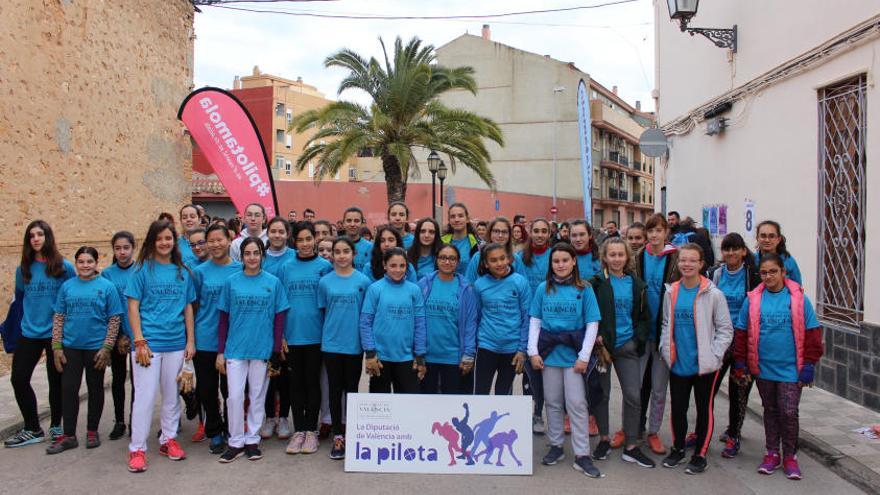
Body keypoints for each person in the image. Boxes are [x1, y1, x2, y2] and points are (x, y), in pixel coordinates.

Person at [732, 254, 823, 480]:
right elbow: (742, 333)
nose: (768, 276)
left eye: (773, 271)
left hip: (792, 369)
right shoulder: (752, 299)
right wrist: (741, 362)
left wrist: (809, 364)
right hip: (763, 368)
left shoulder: (799, 299)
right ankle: (772, 452)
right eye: (764, 273)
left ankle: (790, 456)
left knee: (789, 412)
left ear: (783, 272)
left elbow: (813, 333)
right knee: (770, 411)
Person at [125, 219, 196, 473]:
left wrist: (190, 340)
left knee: (171, 396)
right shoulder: (142, 270)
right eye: (159, 239)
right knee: (144, 398)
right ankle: (137, 448)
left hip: (176, 343)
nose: (164, 243)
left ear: (174, 241)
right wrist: (139, 340)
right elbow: (132, 307)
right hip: (149, 345)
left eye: (168, 238)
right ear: (152, 242)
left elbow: (188, 308)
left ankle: (168, 440)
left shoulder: (182, 271)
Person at [528, 243, 603, 478]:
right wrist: (533, 351)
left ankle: (582, 454)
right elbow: (535, 320)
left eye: (564, 260)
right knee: (552, 401)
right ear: (551, 265)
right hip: (549, 354)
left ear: (573, 262)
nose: (560, 265)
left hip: (574, 356)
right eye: (555, 261)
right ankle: (556, 445)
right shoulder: (543, 288)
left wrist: (584, 356)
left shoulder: (585, 289)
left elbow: (592, 324)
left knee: (577, 403)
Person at [659, 243, 732, 474]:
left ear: (701, 264)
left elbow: (725, 329)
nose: (687, 264)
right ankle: (678, 448)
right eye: (683, 260)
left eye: (692, 260)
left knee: (704, 409)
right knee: (678, 409)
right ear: (677, 262)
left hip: (705, 366)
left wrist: (715, 354)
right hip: (678, 363)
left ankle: (700, 453)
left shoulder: (713, 294)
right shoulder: (671, 292)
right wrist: (664, 349)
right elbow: (665, 324)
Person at [216, 237, 289, 463]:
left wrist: (276, 350)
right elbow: (223, 318)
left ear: (262, 255)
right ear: (242, 256)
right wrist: (220, 351)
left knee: (257, 396)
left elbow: (279, 317)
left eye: (256, 253)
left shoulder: (273, 282)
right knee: (235, 396)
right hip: (235, 348)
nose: (252, 258)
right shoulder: (231, 282)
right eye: (247, 253)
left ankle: (252, 440)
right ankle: (235, 441)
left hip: (262, 348)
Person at [5, 220, 75, 448]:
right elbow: (19, 301)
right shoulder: (23, 269)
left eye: (39, 234)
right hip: (30, 332)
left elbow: (74, 296)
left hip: (55, 332)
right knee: (18, 378)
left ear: (48, 237)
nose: (35, 239)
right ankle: (33, 427)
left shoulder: (64, 267)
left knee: (56, 381)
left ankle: (56, 426)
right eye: (31, 235)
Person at [47, 246, 122, 454]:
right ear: (76, 263)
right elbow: (59, 317)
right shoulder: (67, 287)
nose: (85, 265)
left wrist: (107, 347)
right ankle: (69, 435)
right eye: (81, 262)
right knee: (69, 389)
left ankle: (92, 431)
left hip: (96, 349)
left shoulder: (107, 287)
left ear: (96, 263)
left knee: (95, 388)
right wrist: (56, 347)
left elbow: (114, 319)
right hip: (71, 348)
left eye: (89, 261)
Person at [589, 238, 655, 468]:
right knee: (602, 394)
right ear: (604, 257)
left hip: (628, 346)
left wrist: (637, 339)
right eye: (612, 255)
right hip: (602, 349)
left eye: (620, 254)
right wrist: (594, 335)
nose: (616, 259)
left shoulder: (637, 284)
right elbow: (588, 313)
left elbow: (645, 317)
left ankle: (631, 445)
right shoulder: (595, 284)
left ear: (627, 257)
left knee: (633, 396)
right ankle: (604, 438)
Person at [276, 222, 332, 454]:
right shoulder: (286, 267)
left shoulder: (325, 267)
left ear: (315, 240)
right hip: (293, 336)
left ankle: (312, 431)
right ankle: (299, 430)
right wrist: (281, 336)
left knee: (313, 384)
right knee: (295, 385)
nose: (306, 244)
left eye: (309, 239)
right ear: (294, 241)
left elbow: (330, 303)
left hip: (317, 335)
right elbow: (279, 304)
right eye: (301, 240)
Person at [318, 237, 372, 459]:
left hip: (354, 344)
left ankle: (352, 429)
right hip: (331, 343)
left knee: (351, 389)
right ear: (331, 255)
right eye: (337, 252)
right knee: (333, 388)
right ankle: (338, 435)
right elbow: (323, 312)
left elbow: (367, 315)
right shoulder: (325, 282)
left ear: (354, 254)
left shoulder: (363, 281)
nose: (341, 256)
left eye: (345, 251)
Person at [709, 233, 760, 459]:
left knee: (738, 392)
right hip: (719, 340)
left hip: (744, 342)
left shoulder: (753, 275)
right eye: (726, 249)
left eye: (735, 249)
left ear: (743, 251)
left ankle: (733, 434)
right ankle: (703, 431)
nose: (730, 253)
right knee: (708, 389)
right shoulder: (715, 274)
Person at [192, 224, 241, 455]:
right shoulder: (200, 272)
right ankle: (214, 431)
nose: (215, 244)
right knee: (208, 389)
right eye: (210, 240)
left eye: (219, 239)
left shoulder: (240, 270)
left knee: (231, 389)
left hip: (234, 340)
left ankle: (233, 428)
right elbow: (193, 306)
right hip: (205, 339)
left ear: (229, 240)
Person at [634, 213, 679, 455]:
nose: (654, 235)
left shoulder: (676, 258)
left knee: (659, 389)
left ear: (666, 233)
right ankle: (634, 428)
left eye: (659, 230)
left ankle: (653, 431)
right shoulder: (638, 257)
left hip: (665, 333)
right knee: (636, 385)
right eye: (650, 231)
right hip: (642, 333)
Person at [359, 247, 427, 394]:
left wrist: (420, 355)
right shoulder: (375, 289)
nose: (398, 270)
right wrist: (370, 353)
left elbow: (420, 325)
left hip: (407, 358)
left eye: (402, 266)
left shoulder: (414, 290)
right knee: (381, 408)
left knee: (407, 407)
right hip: (380, 359)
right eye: (393, 265)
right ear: (385, 265)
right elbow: (365, 323)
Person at [417, 244, 478, 394]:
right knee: (427, 403)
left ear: (457, 262)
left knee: (451, 407)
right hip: (427, 356)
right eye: (443, 257)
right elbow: (416, 321)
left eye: (452, 258)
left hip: (453, 357)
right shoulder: (424, 284)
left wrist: (469, 354)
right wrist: (417, 353)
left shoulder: (466, 289)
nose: (447, 262)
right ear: (436, 260)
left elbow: (471, 324)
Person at [472, 243, 530, 395]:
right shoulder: (479, 285)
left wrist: (522, 350)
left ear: (509, 259)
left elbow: (526, 318)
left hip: (512, 348)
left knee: (504, 394)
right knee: (480, 392)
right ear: (486, 263)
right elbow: (476, 317)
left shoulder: (520, 282)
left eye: (502, 258)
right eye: (493, 260)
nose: (499, 263)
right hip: (486, 346)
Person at [515, 218, 552, 432]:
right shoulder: (521, 257)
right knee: (529, 371)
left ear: (549, 233)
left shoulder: (554, 256)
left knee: (546, 370)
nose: (539, 234)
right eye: (536, 230)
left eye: (543, 231)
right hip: (527, 320)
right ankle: (532, 413)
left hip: (549, 320)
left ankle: (542, 411)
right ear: (530, 231)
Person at [101, 231, 137, 441]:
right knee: (118, 380)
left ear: (133, 248)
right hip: (117, 334)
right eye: (118, 248)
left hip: (138, 333)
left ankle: (135, 419)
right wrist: (117, 336)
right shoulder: (107, 274)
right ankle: (119, 420)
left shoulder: (141, 270)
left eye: (126, 248)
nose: (122, 252)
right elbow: (107, 306)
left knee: (138, 382)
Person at [465, 217, 521, 283]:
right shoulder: (478, 257)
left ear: (509, 235)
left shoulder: (516, 259)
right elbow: (468, 284)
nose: (500, 235)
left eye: (504, 232)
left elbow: (522, 285)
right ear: (490, 233)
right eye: (496, 231)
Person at [755, 220, 802, 285]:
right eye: (763, 236)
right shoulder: (751, 261)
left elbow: (798, 289)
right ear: (757, 238)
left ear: (778, 239)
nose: (767, 240)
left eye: (771, 236)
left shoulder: (789, 262)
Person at [441, 203, 480, 276]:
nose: (456, 219)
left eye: (460, 216)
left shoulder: (478, 244)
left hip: (469, 286)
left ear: (467, 219)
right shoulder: (440, 242)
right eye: (453, 216)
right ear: (449, 220)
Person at [342, 207, 372, 272]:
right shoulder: (337, 245)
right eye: (349, 221)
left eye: (356, 221)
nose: (352, 224)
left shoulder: (370, 247)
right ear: (343, 223)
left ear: (362, 224)